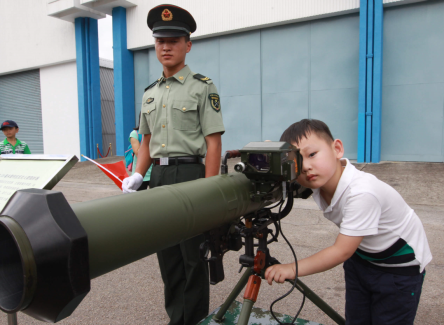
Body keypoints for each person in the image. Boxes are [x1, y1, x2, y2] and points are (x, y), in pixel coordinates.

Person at [265, 119, 432, 325]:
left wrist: (291, 269)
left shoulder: (362, 193)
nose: (306, 166)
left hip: (398, 266)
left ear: (337, 149)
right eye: (297, 161)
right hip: (362, 257)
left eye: (312, 154)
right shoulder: (319, 179)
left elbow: (341, 251)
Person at [122, 4, 225, 325]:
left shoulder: (201, 86)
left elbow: (213, 143)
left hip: (192, 175)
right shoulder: (149, 93)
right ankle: (175, 319)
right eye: (160, 41)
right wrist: (138, 174)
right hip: (161, 176)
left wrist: (208, 190)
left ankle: (193, 320)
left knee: (193, 258)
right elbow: (147, 142)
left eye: (174, 40)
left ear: (187, 45)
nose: (166, 47)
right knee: (167, 256)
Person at [129, 118, 152, 191]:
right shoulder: (135, 133)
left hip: (155, 172)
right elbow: (138, 153)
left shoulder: (156, 133)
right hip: (141, 174)